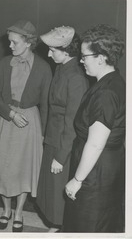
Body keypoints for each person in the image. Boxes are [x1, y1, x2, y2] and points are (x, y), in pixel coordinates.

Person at [63, 24, 125, 232]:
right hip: (102, 168)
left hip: (95, 173)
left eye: (84, 56)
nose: (81, 61)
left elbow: (96, 143)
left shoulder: (105, 93)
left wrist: (77, 180)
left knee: (88, 225)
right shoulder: (113, 81)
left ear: (101, 57)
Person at [0, 19, 52, 232]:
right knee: (4, 168)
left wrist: (43, 134)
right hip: (7, 118)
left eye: (14, 42)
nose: (10, 46)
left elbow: (45, 104)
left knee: (24, 169)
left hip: (30, 121)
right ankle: (6, 210)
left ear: (28, 42)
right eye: (9, 42)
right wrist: (10, 114)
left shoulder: (44, 68)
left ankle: (19, 212)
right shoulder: (4, 63)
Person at [36, 26, 88, 232]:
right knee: (51, 192)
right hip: (53, 138)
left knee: (59, 194)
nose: (48, 54)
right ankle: (57, 226)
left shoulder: (75, 77)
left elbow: (73, 122)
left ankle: (62, 228)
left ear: (67, 50)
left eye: (52, 50)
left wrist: (61, 156)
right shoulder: (62, 68)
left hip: (62, 143)